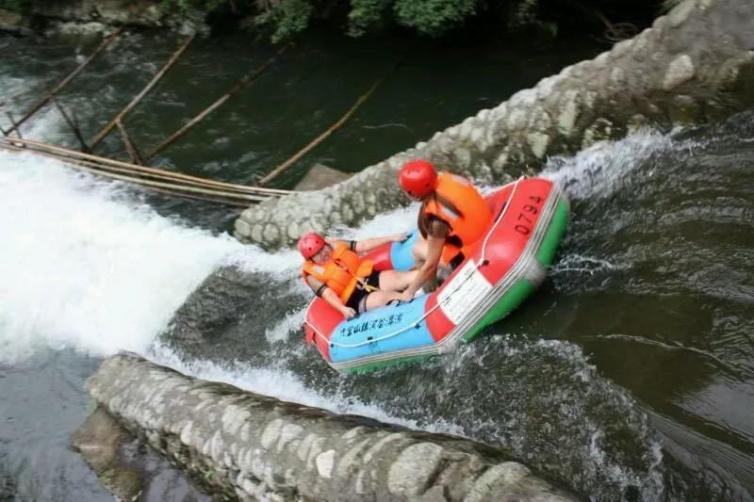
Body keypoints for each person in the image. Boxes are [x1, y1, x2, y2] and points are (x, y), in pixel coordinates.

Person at [397, 159, 492, 301]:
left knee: (417, 250)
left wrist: (409, 292)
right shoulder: (448, 178)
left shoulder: (436, 220)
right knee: (424, 242)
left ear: (414, 194)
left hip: (473, 253)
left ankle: (431, 291)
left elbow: (431, 265)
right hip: (488, 228)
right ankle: (434, 279)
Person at [298, 231, 418, 319]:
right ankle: (418, 305)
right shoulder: (311, 275)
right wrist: (343, 309)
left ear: (326, 244)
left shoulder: (337, 245)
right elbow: (328, 294)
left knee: (402, 278)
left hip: (369, 278)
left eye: (323, 249)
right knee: (385, 297)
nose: (323, 254)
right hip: (355, 298)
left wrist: (391, 237)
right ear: (311, 259)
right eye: (317, 254)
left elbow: (363, 245)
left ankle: (430, 278)